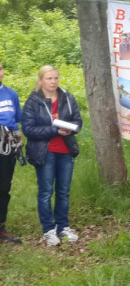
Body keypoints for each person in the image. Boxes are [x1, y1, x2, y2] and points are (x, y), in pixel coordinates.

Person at [21, 66, 83, 246]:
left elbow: (78, 120)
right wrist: (55, 130)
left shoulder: (67, 97)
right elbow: (28, 129)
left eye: (56, 78)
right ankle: (48, 230)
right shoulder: (33, 101)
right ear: (41, 80)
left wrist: (72, 129)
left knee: (63, 191)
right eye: (49, 78)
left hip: (66, 150)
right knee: (46, 192)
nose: (53, 82)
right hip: (45, 152)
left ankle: (63, 227)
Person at [0, 61, 23, 243]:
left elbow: (16, 119)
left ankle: (1, 228)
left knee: (3, 187)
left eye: (0, 68)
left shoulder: (11, 94)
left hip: (7, 146)